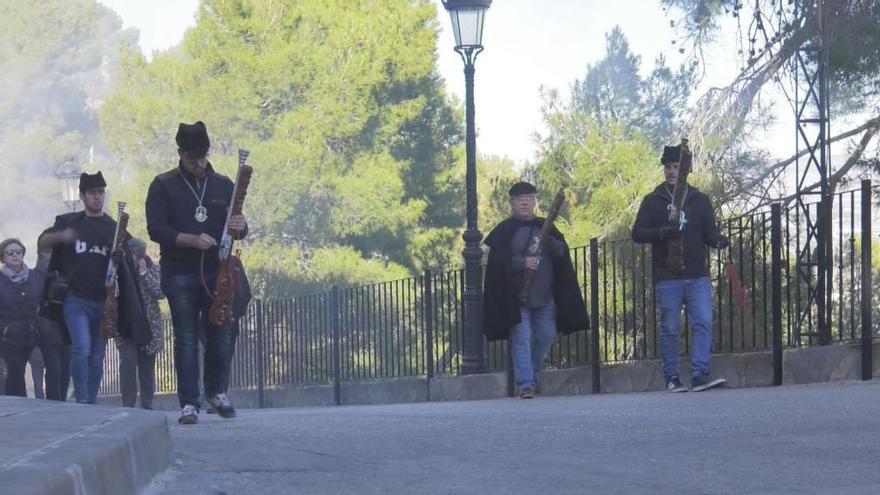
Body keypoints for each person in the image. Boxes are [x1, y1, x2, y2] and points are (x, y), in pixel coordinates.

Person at [146, 121, 247, 424]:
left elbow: (238, 224)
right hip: (179, 272)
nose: (199, 163)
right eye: (192, 157)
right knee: (187, 338)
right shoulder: (162, 184)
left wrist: (241, 227)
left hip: (218, 270)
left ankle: (216, 391)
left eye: (202, 156)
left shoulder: (225, 184)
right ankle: (189, 402)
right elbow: (156, 229)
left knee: (221, 333)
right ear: (180, 153)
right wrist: (190, 239)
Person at [38, 171, 148, 404]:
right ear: (82, 196)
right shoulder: (69, 222)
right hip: (74, 298)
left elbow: (131, 258)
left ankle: (91, 400)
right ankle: (83, 398)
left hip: (104, 300)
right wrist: (61, 237)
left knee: (98, 355)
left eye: (100, 192)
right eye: (92, 193)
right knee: (82, 348)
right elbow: (43, 242)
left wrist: (121, 256)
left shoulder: (113, 228)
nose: (97, 197)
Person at [631, 144, 729, 393]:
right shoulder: (653, 201)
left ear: (686, 170)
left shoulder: (699, 200)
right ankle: (672, 377)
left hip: (697, 274)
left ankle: (699, 374)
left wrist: (717, 240)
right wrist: (661, 233)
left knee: (703, 322)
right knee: (670, 328)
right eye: (668, 167)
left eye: (676, 167)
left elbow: (708, 233)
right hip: (668, 276)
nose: (671, 172)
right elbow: (638, 233)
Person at [482, 181, 589, 399]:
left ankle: (533, 371)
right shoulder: (504, 232)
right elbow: (497, 266)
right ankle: (526, 384)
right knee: (521, 339)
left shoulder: (546, 228)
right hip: (517, 297)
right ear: (512, 203)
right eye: (520, 199)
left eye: (528, 198)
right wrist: (523, 263)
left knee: (546, 335)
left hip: (545, 296)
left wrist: (548, 241)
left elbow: (561, 255)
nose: (524, 202)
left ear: (534, 202)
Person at [115, 238, 164, 409]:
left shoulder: (153, 270)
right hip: (127, 327)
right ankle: (128, 404)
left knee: (147, 369)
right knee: (128, 363)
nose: (134, 259)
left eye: (137, 256)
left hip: (149, 328)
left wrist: (144, 274)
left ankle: (147, 405)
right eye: (132, 255)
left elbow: (160, 292)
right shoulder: (120, 270)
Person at [0, 239, 45, 397]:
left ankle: (16, 402)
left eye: (18, 252)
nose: (15, 255)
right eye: (10, 252)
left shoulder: (33, 277)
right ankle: (18, 401)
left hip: (28, 333)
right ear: (3, 258)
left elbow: (41, 300)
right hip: (7, 335)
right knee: (16, 368)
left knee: (18, 371)